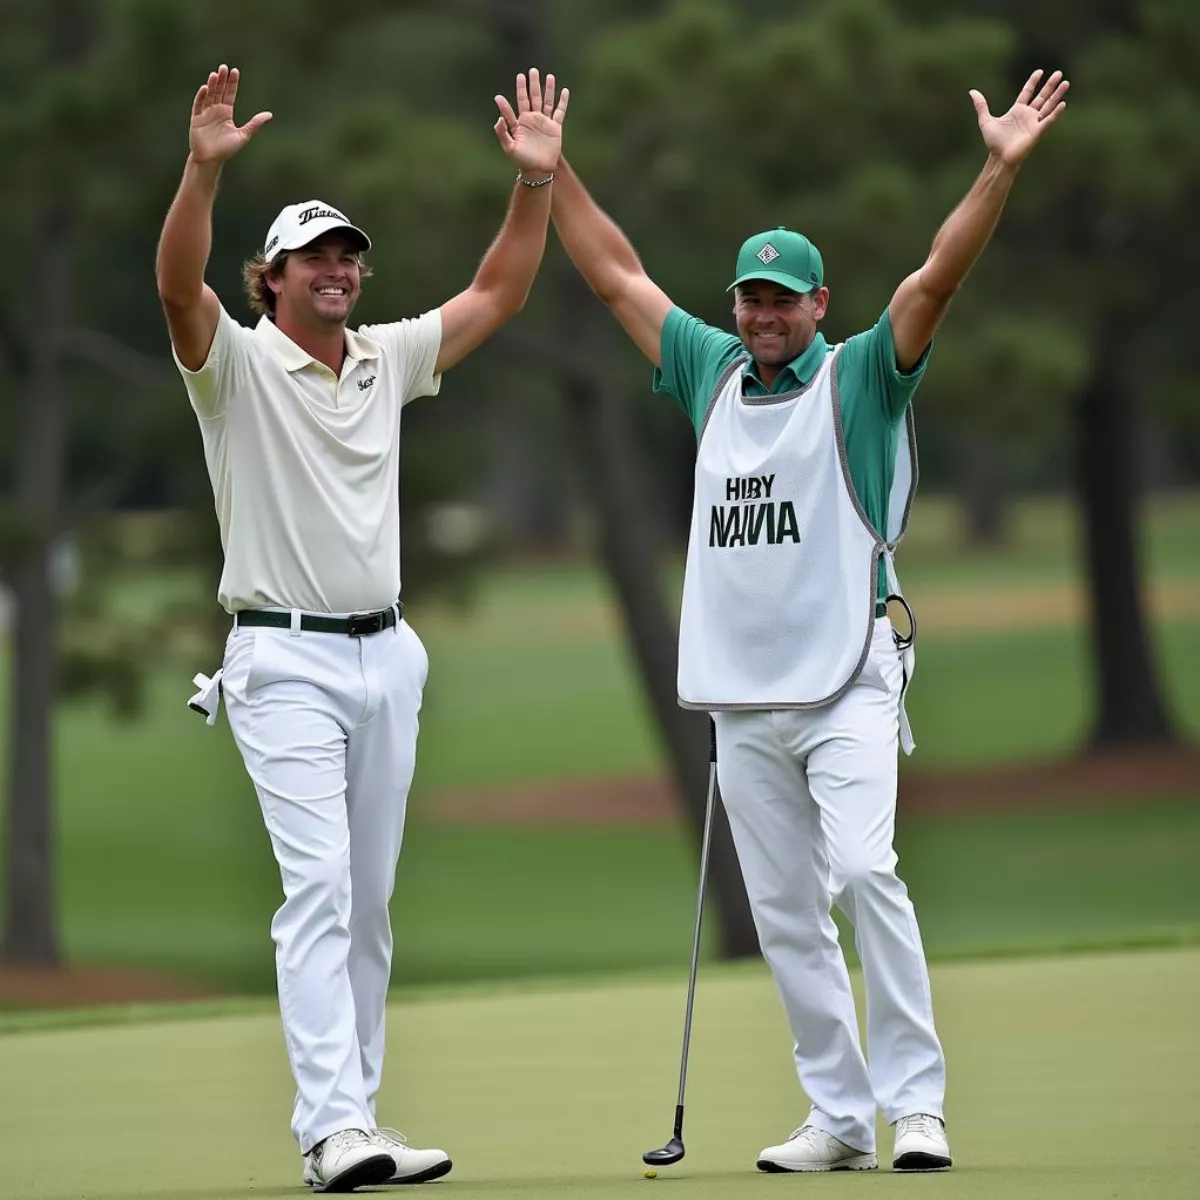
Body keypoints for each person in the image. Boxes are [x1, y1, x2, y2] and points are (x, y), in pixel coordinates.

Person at [550, 69, 1069, 1173]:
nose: (765, 314)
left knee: (868, 871)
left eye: (784, 299)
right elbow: (615, 276)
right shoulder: (710, 370)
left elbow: (936, 279)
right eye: (751, 297)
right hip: (745, 697)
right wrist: (553, 177)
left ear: (819, 306)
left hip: (848, 678)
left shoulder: (866, 377)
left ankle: (915, 1104)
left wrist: (997, 169)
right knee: (785, 914)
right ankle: (839, 1114)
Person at [157, 64, 569, 1193]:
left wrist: (534, 185)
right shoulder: (234, 366)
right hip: (279, 656)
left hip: (388, 654)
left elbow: (496, 296)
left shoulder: (385, 358)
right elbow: (177, 289)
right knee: (320, 892)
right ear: (274, 278)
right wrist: (201, 171)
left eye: (351, 256)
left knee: (370, 904)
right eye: (318, 256)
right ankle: (330, 1129)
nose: (341, 269)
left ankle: (359, 1124)